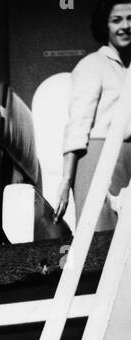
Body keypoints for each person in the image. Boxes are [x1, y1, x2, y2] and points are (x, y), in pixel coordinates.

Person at [55, 1, 131, 231]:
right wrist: (66, 181)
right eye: (116, 20)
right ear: (104, 26)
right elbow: (78, 125)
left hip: (126, 162)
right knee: (99, 238)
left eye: (130, 18)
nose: (125, 26)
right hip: (98, 159)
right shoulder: (92, 65)